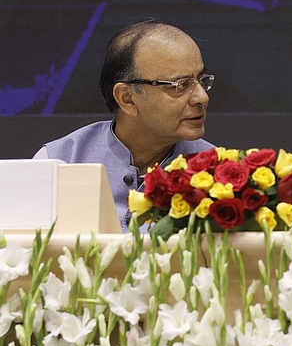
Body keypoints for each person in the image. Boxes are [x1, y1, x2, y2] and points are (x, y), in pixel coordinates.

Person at [33, 19, 215, 232]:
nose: (202, 98)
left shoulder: (218, 174)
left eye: (201, 80)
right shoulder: (59, 162)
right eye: (180, 86)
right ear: (127, 98)